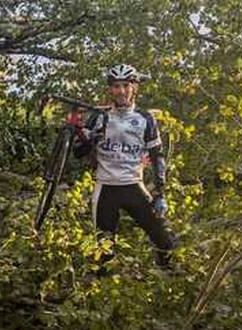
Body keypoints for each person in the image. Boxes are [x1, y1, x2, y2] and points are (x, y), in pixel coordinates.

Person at [70, 64, 174, 274]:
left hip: (133, 186)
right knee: (104, 253)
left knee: (165, 240)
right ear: (110, 90)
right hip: (105, 189)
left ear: (134, 88)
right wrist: (85, 134)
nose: (121, 91)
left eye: (126, 85)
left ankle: (170, 282)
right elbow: (78, 152)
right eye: (116, 86)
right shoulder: (99, 117)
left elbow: (157, 156)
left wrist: (160, 193)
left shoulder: (145, 119)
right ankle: (101, 296)